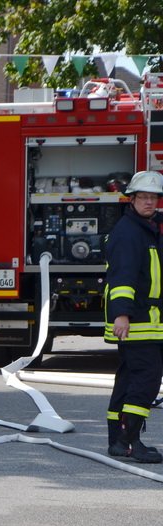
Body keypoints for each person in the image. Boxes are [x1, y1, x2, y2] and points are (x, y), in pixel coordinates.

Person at [104, 170, 163, 463]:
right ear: (132, 199)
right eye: (144, 198)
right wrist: (122, 315)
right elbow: (123, 279)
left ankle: (117, 440)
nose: (149, 202)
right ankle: (130, 441)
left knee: (128, 379)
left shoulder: (146, 229)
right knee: (147, 380)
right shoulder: (130, 234)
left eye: (154, 198)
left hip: (145, 320)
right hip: (137, 320)